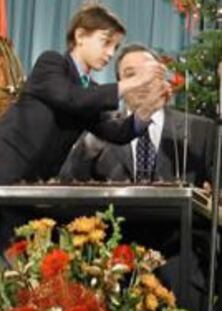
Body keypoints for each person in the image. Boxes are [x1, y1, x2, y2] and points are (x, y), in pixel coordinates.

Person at [0, 5, 170, 309]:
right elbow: (70, 98)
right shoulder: (51, 64)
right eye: (106, 42)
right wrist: (132, 83)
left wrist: (148, 108)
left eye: (116, 46)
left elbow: (117, 131)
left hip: (23, 190)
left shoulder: (91, 91)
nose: (110, 53)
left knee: (16, 270)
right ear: (80, 36)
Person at [58, 43, 217, 310]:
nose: (141, 82)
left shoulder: (202, 131)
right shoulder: (101, 133)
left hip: (182, 270)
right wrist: (88, 148)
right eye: (131, 74)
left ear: (163, 78)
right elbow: (67, 186)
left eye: (148, 73)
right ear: (120, 86)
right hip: (115, 270)